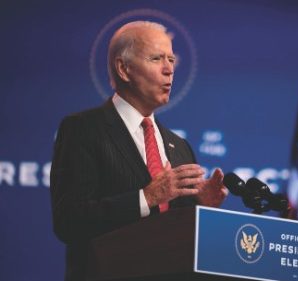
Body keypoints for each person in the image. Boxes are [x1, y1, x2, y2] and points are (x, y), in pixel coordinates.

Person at [50, 21, 228, 281]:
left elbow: (180, 234)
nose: (169, 70)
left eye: (171, 59)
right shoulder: (83, 130)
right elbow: (69, 221)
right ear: (124, 69)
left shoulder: (179, 147)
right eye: (156, 58)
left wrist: (201, 207)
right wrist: (145, 197)